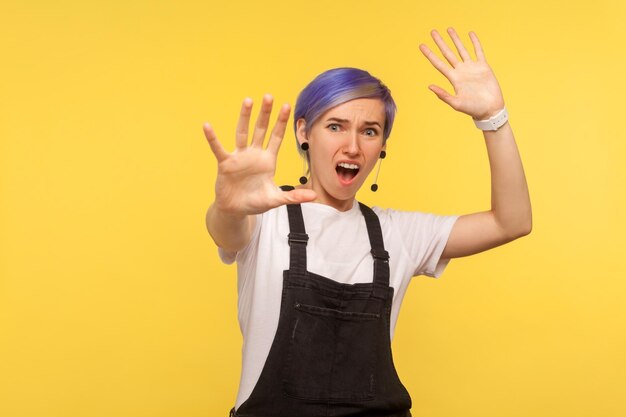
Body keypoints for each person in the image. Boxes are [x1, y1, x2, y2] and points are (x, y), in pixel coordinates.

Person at [203, 27, 531, 417]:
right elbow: (227, 231)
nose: (353, 147)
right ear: (304, 132)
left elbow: (512, 222)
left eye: (370, 131)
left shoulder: (398, 234)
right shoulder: (265, 217)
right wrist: (228, 206)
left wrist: (494, 118)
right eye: (336, 126)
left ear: (383, 145)